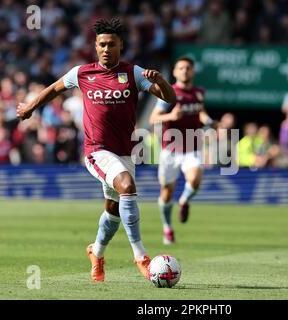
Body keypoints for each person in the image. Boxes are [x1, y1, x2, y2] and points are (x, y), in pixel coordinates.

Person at [16, 18, 176, 282]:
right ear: (95, 46)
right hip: (96, 151)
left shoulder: (133, 73)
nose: (106, 49)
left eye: (111, 44)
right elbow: (54, 89)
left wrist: (161, 80)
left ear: (120, 45)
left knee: (113, 210)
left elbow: (169, 98)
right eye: (102, 44)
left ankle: (96, 251)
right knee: (127, 186)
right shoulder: (82, 73)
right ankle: (141, 256)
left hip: (124, 151)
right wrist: (31, 107)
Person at [149, 56, 216, 245]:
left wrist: (210, 121)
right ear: (175, 72)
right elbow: (153, 119)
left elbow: (199, 111)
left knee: (195, 179)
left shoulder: (199, 92)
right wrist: (171, 115)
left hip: (192, 147)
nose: (185, 71)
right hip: (170, 149)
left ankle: (184, 201)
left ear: (193, 71)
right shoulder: (169, 93)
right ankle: (167, 228)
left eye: (188, 68)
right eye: (181, 68)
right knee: (166, 193)